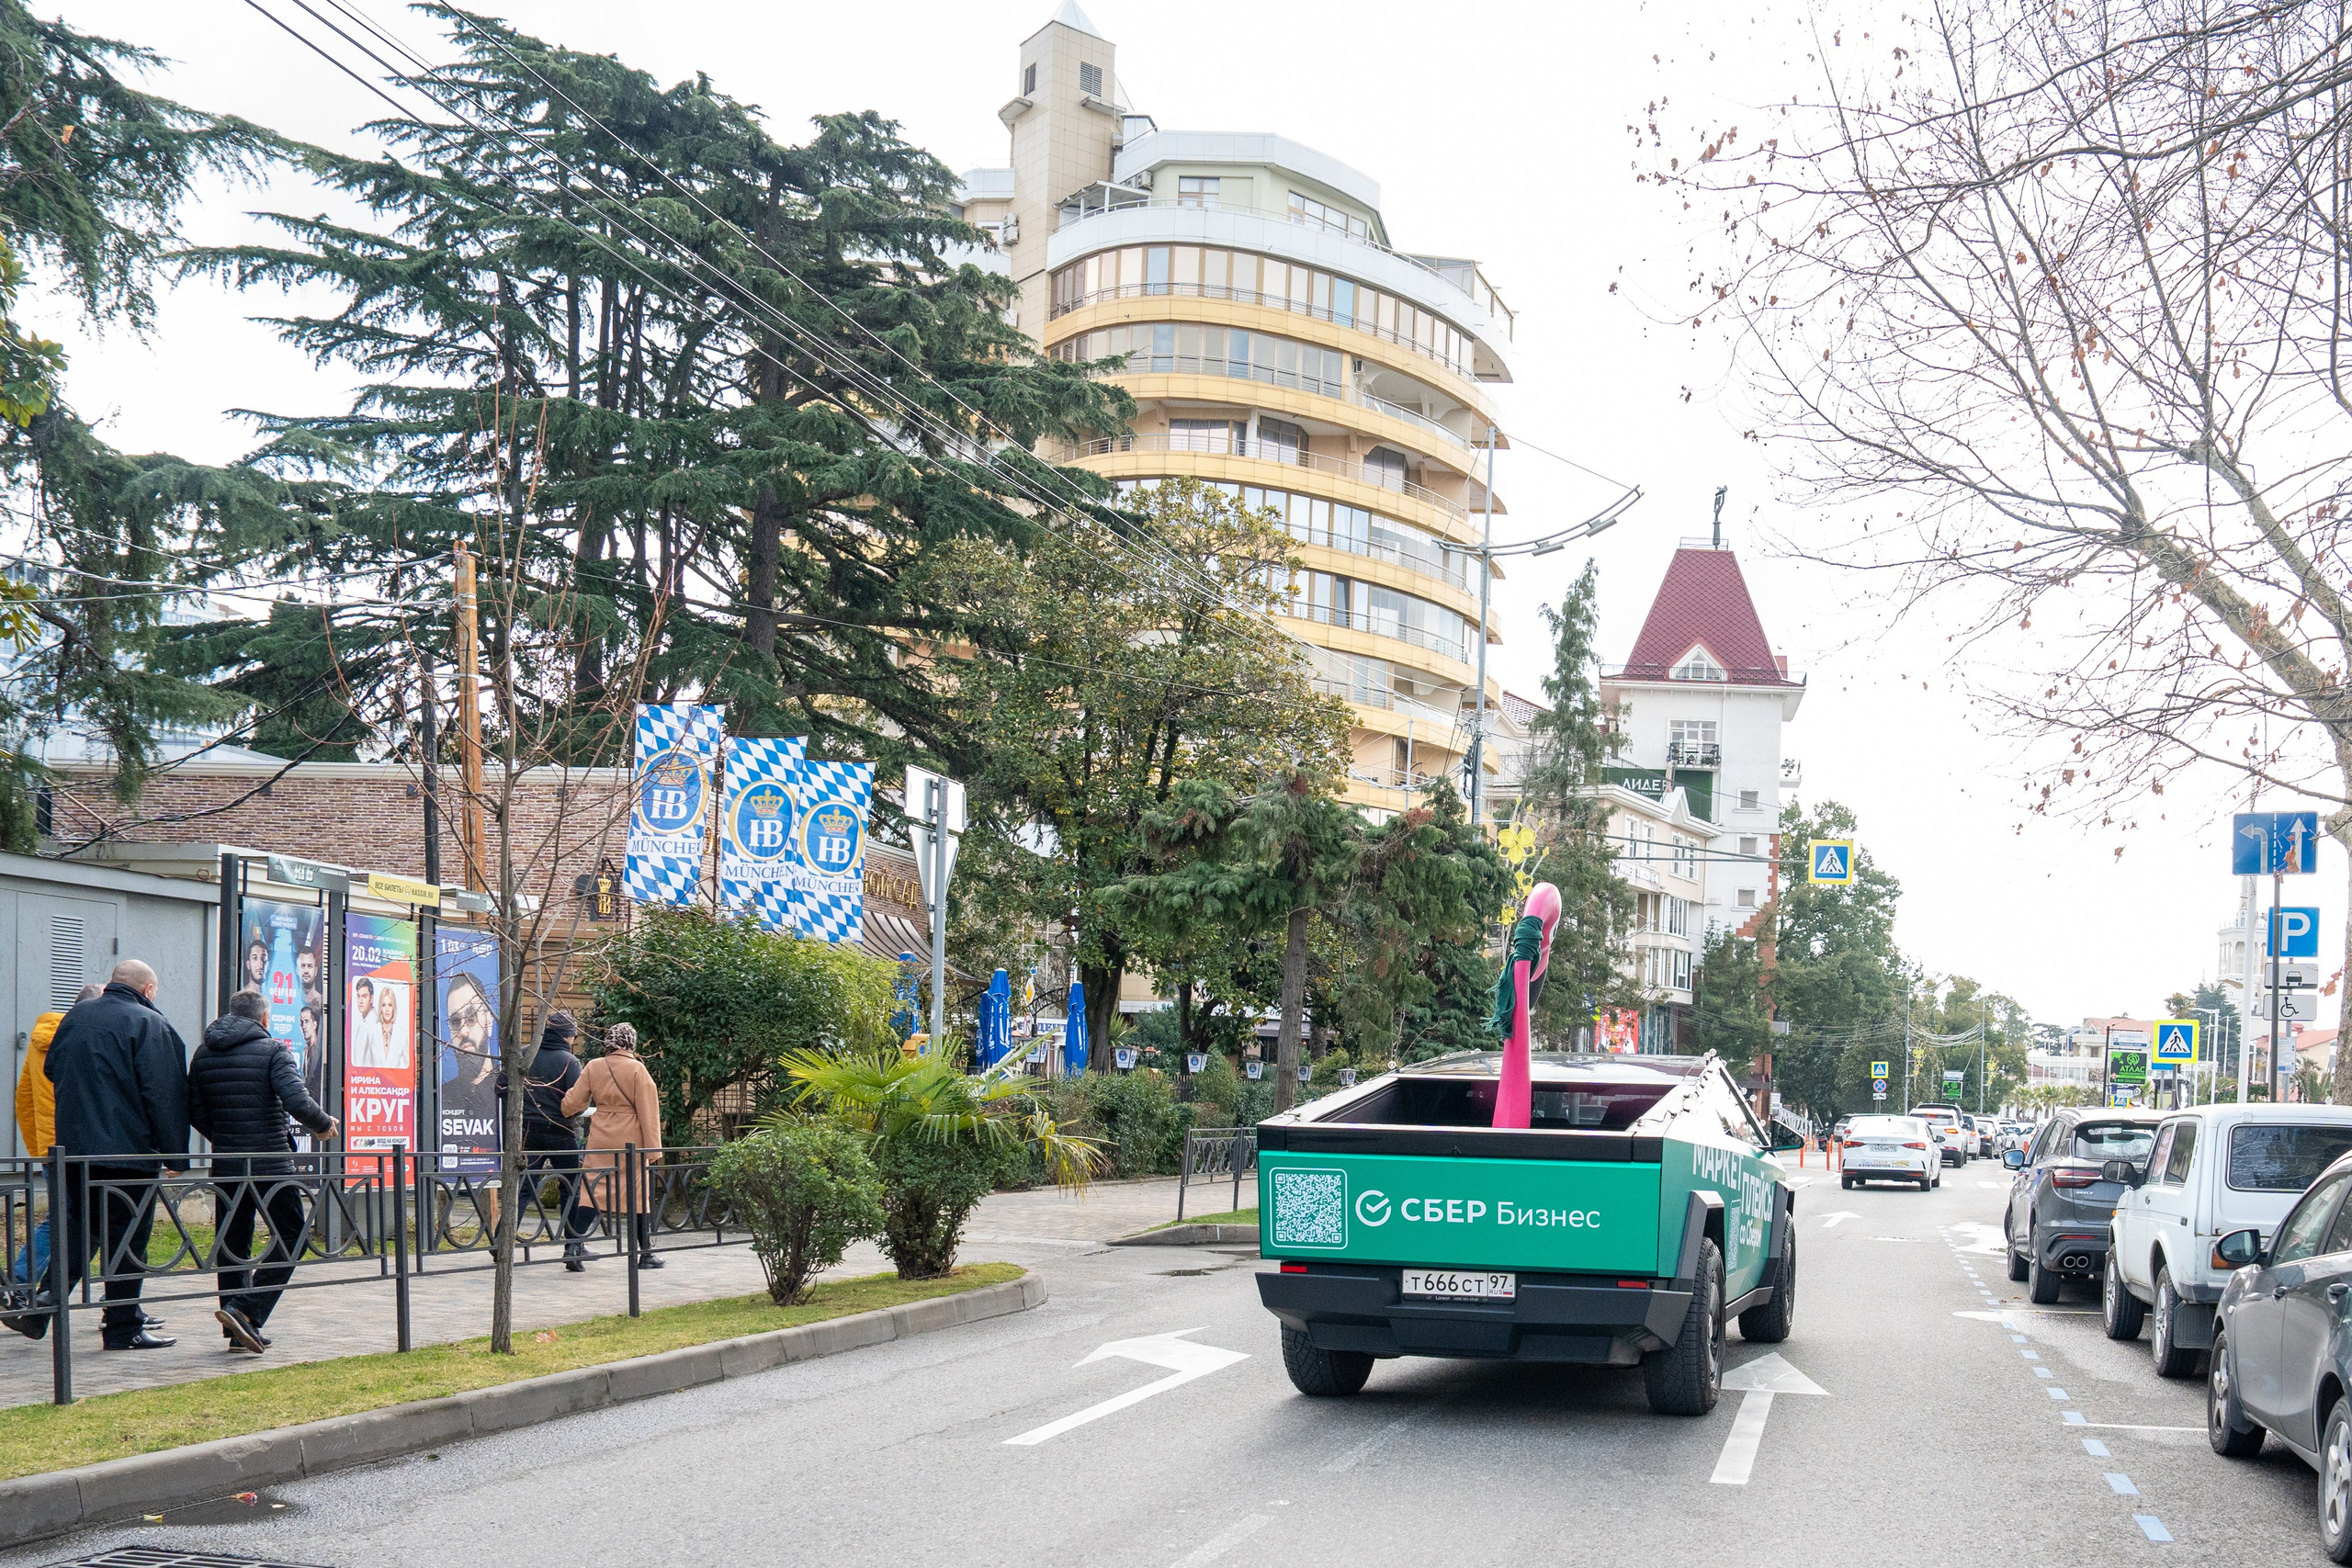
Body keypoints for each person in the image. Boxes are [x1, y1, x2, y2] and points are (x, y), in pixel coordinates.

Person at [22, 960, 190, 1349]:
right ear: (148, 989)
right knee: (129, 1239)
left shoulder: (75, 1018)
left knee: (81, 1232)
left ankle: (39, 1311)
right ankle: (122, 1327)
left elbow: (52, 1071)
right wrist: (175, 1157)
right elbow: (164, 1096)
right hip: (128, 1155)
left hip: (76, 1152)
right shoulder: (149, 1024)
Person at [187, 987, 337, 1353]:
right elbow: (297, 1099)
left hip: (227, 1164)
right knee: (293, 1236)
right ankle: (248, 1312)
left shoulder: (204, 1053)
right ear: (264, 1018)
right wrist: (322, 1125)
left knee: (233, 1243)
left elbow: (195, 1110)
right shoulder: (273, 1050)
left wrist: (226, 1137)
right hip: (270, 1162)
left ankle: (237, 1328)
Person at [4, 984, 103, 1337]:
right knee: (84, 1222)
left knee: (68, 1219)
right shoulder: (86, 1040)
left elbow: (23, 1099)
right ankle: (22, 1283)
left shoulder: (39, 1040)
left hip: (52, 1147)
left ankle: (24, 1283)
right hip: (87, 1146)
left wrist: (39, 1147)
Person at [561, 1023, 666, 1269]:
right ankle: (646, 1253)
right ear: (631, 1043)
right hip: (630, 1140)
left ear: (608, 1042)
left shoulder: (594, 1066)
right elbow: (649, 1113)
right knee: (638, 1197)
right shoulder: (638, 1070)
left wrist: (565, 1100)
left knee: (592, 1191)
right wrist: (653, 1151)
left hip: (600, 1138)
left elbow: (574, 1103)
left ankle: (574, 1247)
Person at [502, 1012, 594, 1270]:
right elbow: (577, 1102)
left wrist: (523, 1107)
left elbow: (501, 1087)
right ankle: (573, 1248)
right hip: (561, 1132)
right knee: (572, 1189)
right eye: (574, 1035)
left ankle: (501, 1241)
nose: (574, 1040)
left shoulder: (523, 1054)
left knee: (523, 1188)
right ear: (566, 1035)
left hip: (527, 1131)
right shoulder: (569, 1061)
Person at [347, 976, 383, 1067]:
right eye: (358, 996)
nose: (360, 1001)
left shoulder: (375, 1025)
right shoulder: (362, 1022)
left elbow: (378, 1062)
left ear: (371, 998)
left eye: (364, 996)